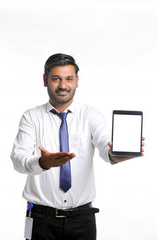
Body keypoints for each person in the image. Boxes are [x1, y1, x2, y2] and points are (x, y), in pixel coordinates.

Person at [11, 53, 145, 240]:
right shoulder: (31, 117)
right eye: (56, 79)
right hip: (41, 219)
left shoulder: (91, 115)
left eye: (69, 79)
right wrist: (43, 162)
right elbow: (18, 160)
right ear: (45, 80)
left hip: (83, 220)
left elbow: (105, 145)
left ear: (77, 81)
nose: (63, 86)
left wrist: (116, 154)